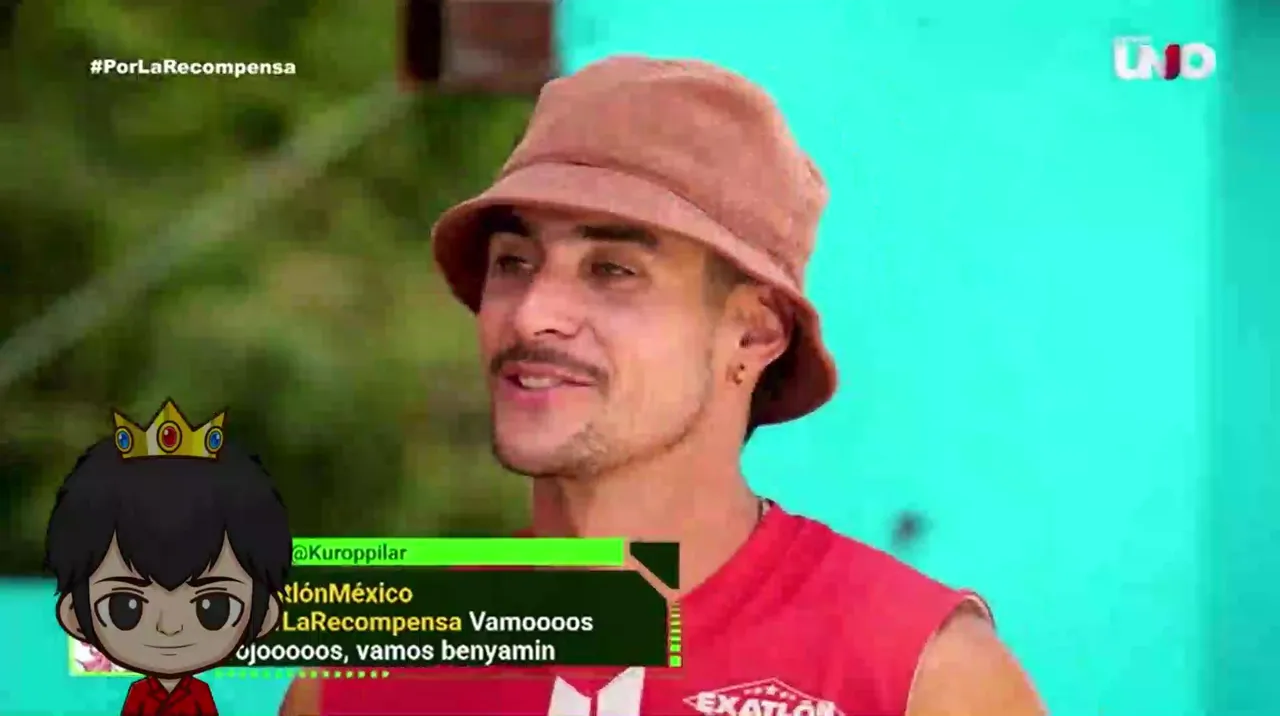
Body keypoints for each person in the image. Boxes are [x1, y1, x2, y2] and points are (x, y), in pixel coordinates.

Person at [282, 55, 1044, 716]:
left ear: (753, 334)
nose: (534, 313)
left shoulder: (920, 676)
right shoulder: (364, 672)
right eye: (514, 262)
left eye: (613, 271)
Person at [47, 401, 293, 716]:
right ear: (75, 617)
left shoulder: (198, 694)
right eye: (126, 607)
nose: (169, 627)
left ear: (266, 615)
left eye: (213, 608)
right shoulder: (139, 694)